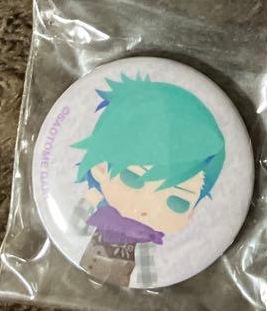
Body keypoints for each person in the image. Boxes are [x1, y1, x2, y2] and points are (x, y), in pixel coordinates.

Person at [71, 75, 226, 287]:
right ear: (100, 168)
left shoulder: (146, 236)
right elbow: (75, 230)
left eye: (177, 201)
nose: (146, 206)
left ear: (190, 213)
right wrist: (90, 198)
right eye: (133, 177)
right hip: (83, 272)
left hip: (120, 283)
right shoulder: (103, 213)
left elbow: (147, 278)